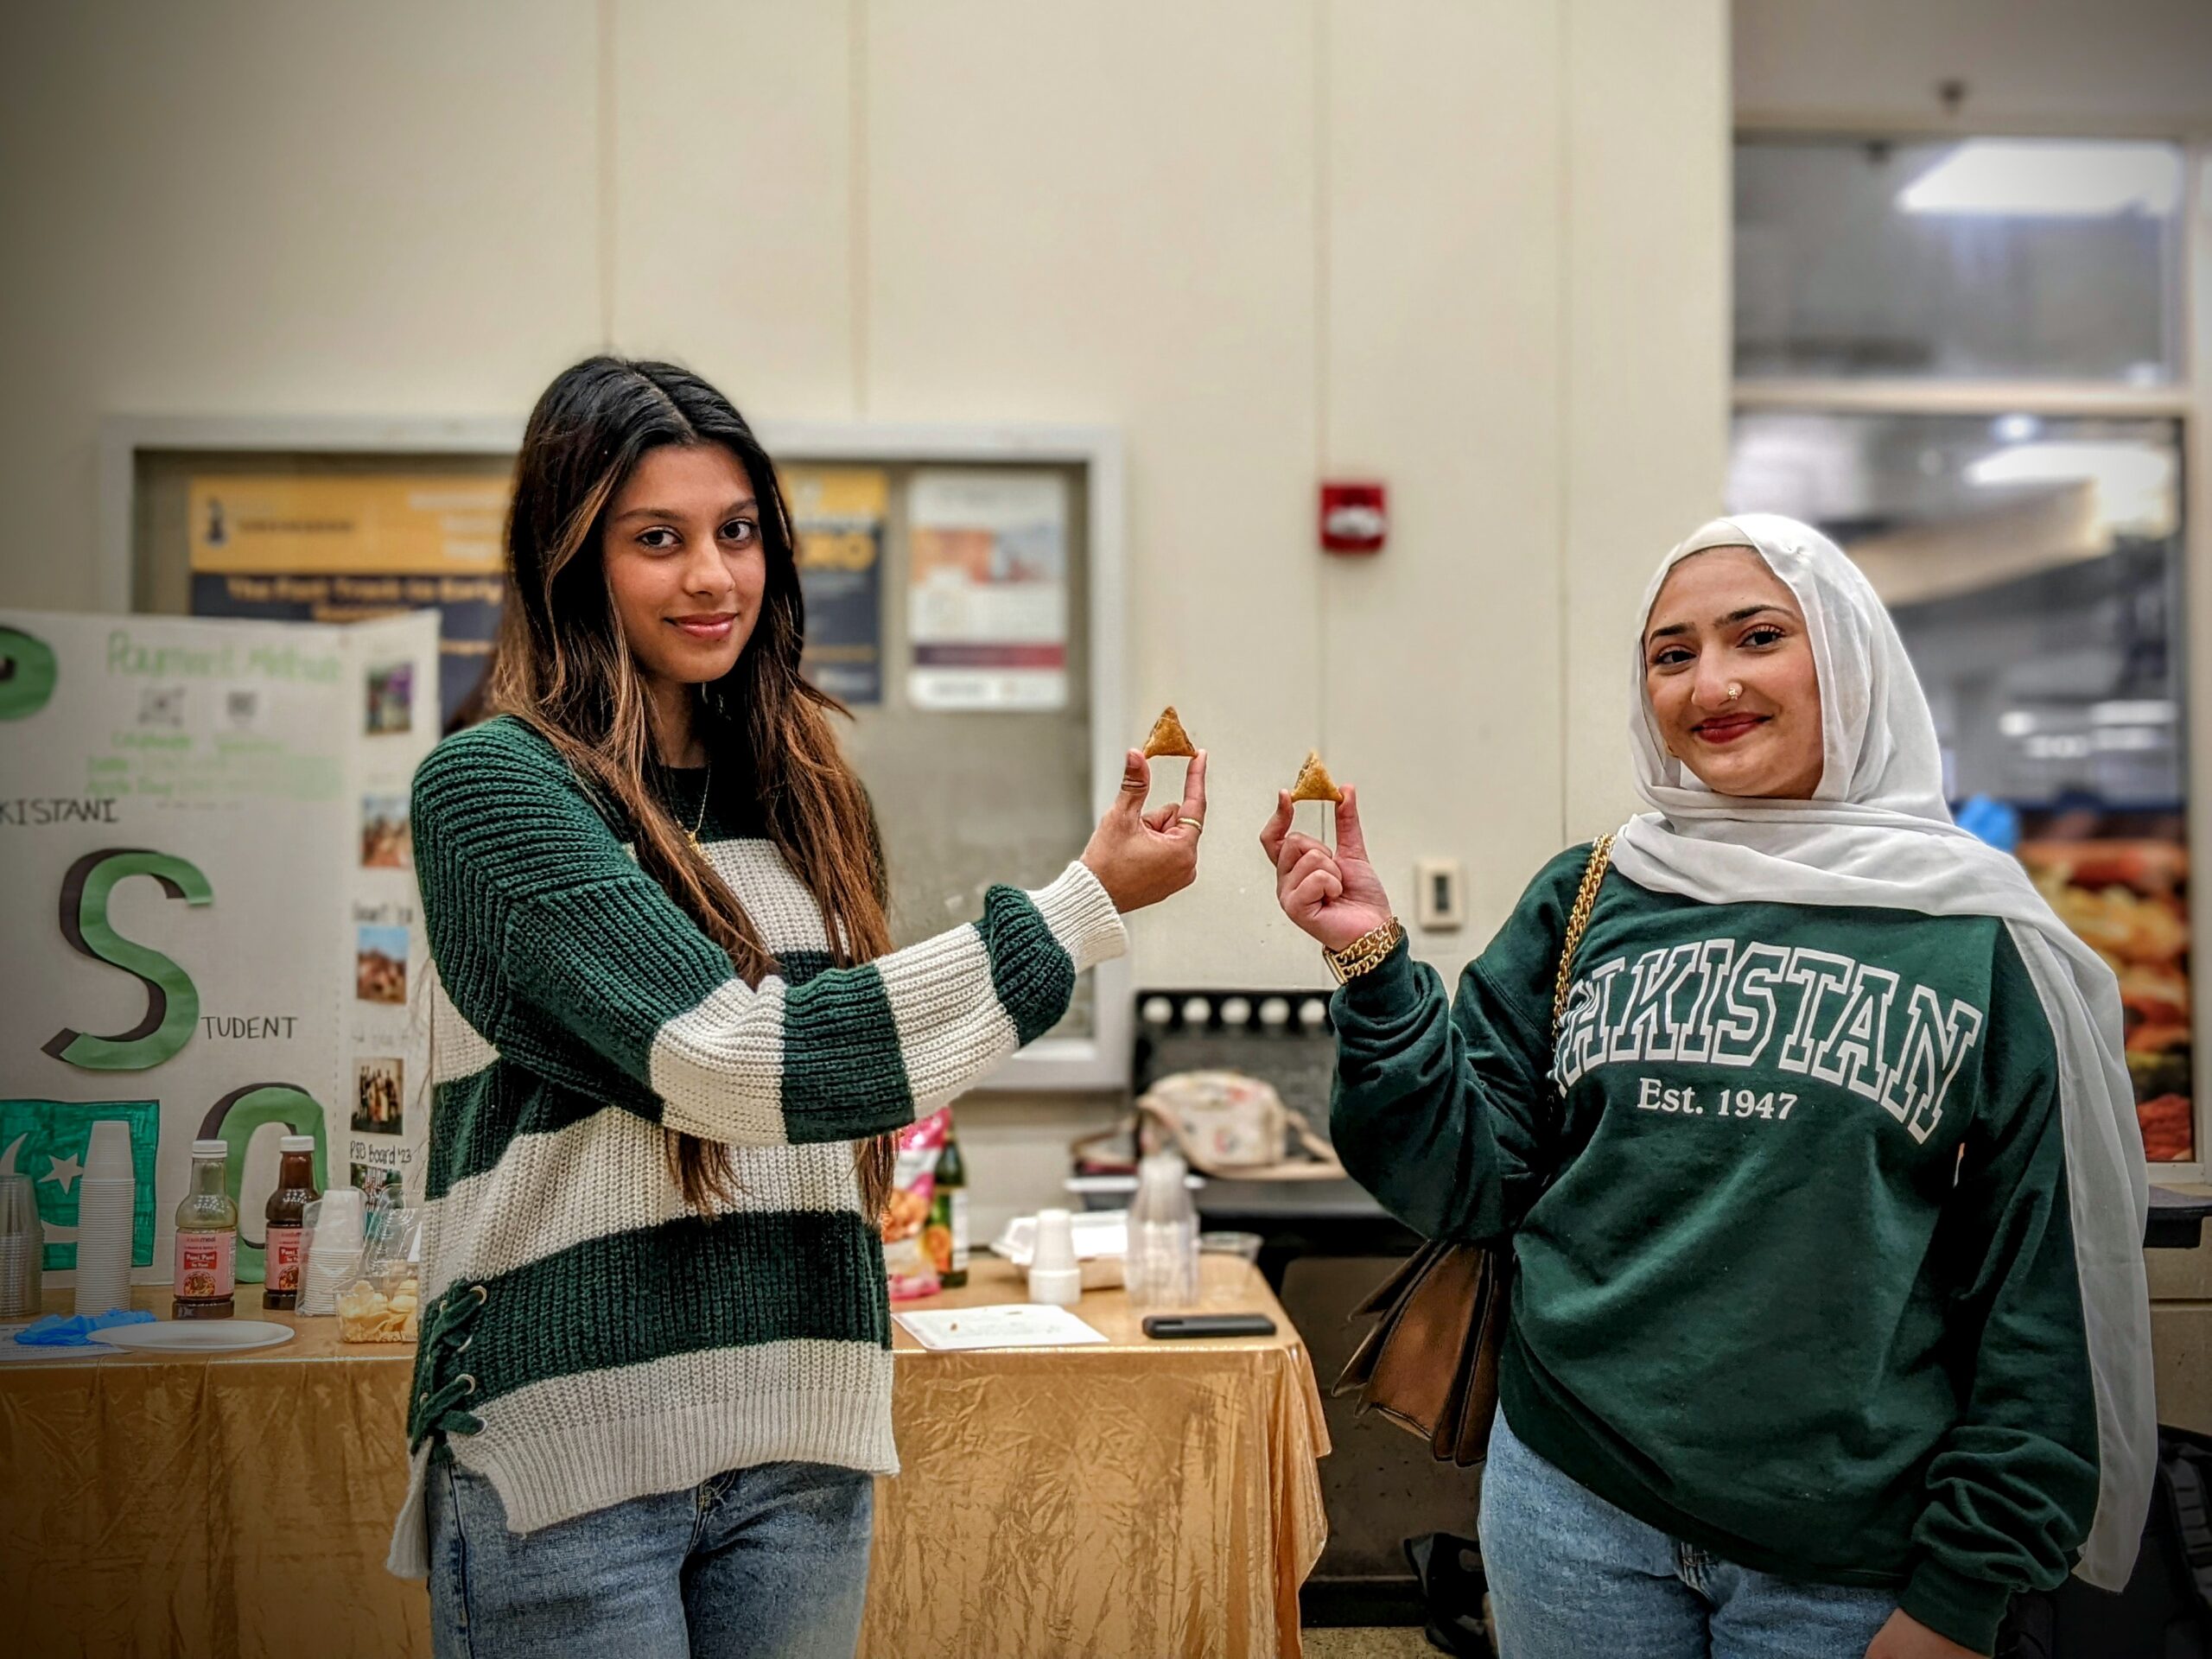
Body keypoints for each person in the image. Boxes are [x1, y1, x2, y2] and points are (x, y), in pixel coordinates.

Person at [386, 356, 1207, 1659]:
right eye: (656, 540)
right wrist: (1078, 906)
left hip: (798, 1428)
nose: (711, 576)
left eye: (738, 532)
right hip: (573, 1458)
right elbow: (735, 1063)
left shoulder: (812, 796)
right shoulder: (495, 791)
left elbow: (851, 1070)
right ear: (570, 556)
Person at [1262, 514, 2154, 1659]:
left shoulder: (1976, 938)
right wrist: (1374, 963)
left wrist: (1963, 1591)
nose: (1711, 682)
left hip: (1849, 1555)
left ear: (1846, 659)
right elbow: (1465, 1184)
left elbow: (2045, 1293)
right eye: (1672, 654)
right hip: (1570, 1504)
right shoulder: (1593, 894)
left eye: (1758, 636)